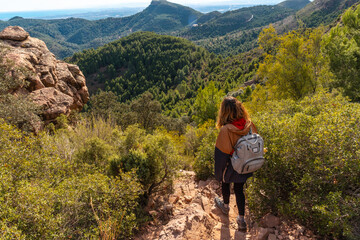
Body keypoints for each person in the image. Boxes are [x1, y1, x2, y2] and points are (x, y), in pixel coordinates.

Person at [214, 96, 257, 231]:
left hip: (232, 166)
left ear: (224, 112)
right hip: (246, 164)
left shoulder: (226, 130)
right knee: (239, 190)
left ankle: (225, 207)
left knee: (225, 182)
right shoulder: (249, 124)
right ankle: (241, 220)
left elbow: (221, 155)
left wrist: (218, 174)